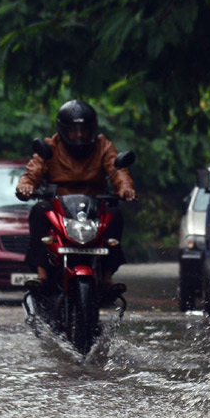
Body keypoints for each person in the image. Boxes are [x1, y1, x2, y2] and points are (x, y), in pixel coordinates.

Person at [15, 99, 136, 285]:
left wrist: (125, 188)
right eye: (73, 130)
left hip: (94, 205)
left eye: (84, 130)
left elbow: (117, 169)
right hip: (59, 205)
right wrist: (26, 186)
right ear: (63, 130)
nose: (79, 136)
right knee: (39, 211)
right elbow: (33, 172)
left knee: (114, 213)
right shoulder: (51, 147)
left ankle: (107, 276)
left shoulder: (103, 145)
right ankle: (42, 274)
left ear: (92, 129)